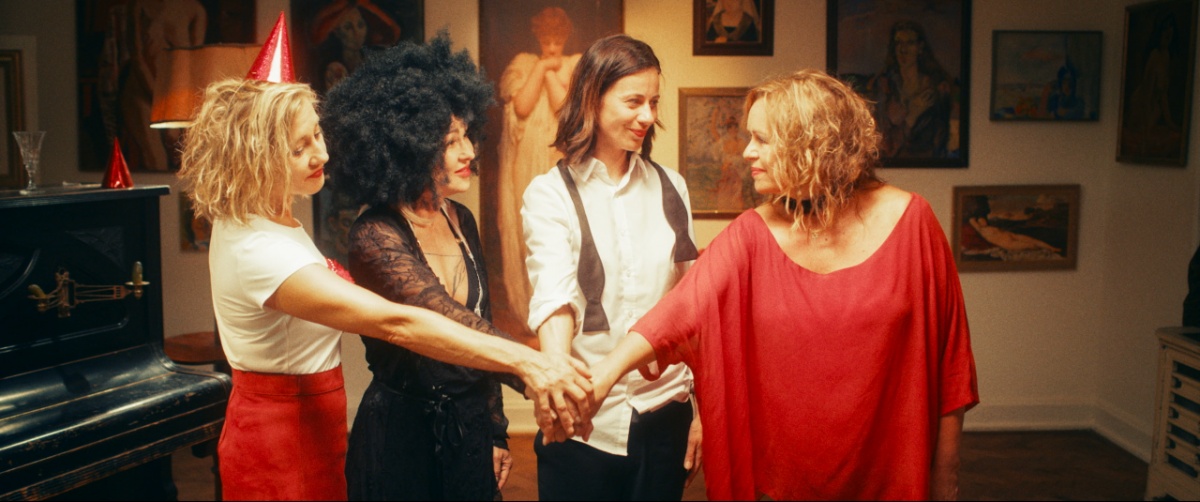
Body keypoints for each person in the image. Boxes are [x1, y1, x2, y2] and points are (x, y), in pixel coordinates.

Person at [177, 77, 593, 500]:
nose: (322, 154)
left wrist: (495, 425)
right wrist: (530, 364)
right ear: (254, 157)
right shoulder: (261, 250)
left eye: (317, 134)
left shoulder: (264, 219)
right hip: (281, 438)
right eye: (298, 148)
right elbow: (398, 322)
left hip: (314, 422)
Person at [586, 69, 979, 500]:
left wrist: (947, 478)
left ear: (811, 143)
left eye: (762, 138)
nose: (747, 151)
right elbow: (679, 311)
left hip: (890, 477)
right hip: (782, 482)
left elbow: (951, 365)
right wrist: (603, 375)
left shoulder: (913, 222)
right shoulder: (752, 234)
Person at [321, 34, 519, 500]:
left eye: (467, 135)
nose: (469, 152)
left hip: (469, 430)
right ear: (407, 149)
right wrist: (532, 368)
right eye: (451, 142)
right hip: (402, 440)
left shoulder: (461, 219)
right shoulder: (375, 234)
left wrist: (495, 431)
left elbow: (481, 319)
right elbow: (442, 316)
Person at [521, 34, 702, 501]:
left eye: (653, 102)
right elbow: (554, 294)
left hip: (666, 410)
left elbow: (691, 305)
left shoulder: (672, 187)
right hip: (587, 420)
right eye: (634, 101)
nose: (648, 116)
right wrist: (558, 379)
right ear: (592, 99)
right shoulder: (549, 193)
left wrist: (702, 411)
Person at [495, 6, 582, 334]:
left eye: (557, 39)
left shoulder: (575, 65)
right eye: (547, 39)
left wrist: (551, 72)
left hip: (559, 157)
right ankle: (532, 312)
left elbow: (563, 107)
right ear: (538, 37)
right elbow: (522, 106)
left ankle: (562, 313)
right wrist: (542, 67)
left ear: (566, 37)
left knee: (563, 229)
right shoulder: (524, 63)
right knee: (528, 228)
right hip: (528, 161)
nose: (552, 46)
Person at [867, 20, 955, 158]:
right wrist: (911, 116)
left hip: (929, 165)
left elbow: (942, 139)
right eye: (898, 43)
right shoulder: (885, 86)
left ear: (920, 47)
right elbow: (883, 147)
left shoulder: (937, 88)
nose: (903, 50)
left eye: (910, 43)